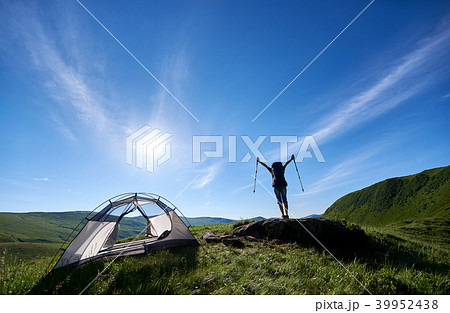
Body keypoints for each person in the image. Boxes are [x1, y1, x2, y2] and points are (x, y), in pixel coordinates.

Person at [257, 155, 295, 219]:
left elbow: (265, 165)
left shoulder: (271, 170)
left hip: (276, 186)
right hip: (283, 185)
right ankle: (287, 215)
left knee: (279, 201)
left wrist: (259, 161)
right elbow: (286, 163)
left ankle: (283, 215)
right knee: (285, 200)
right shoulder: (282, 168)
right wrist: (291, 159)